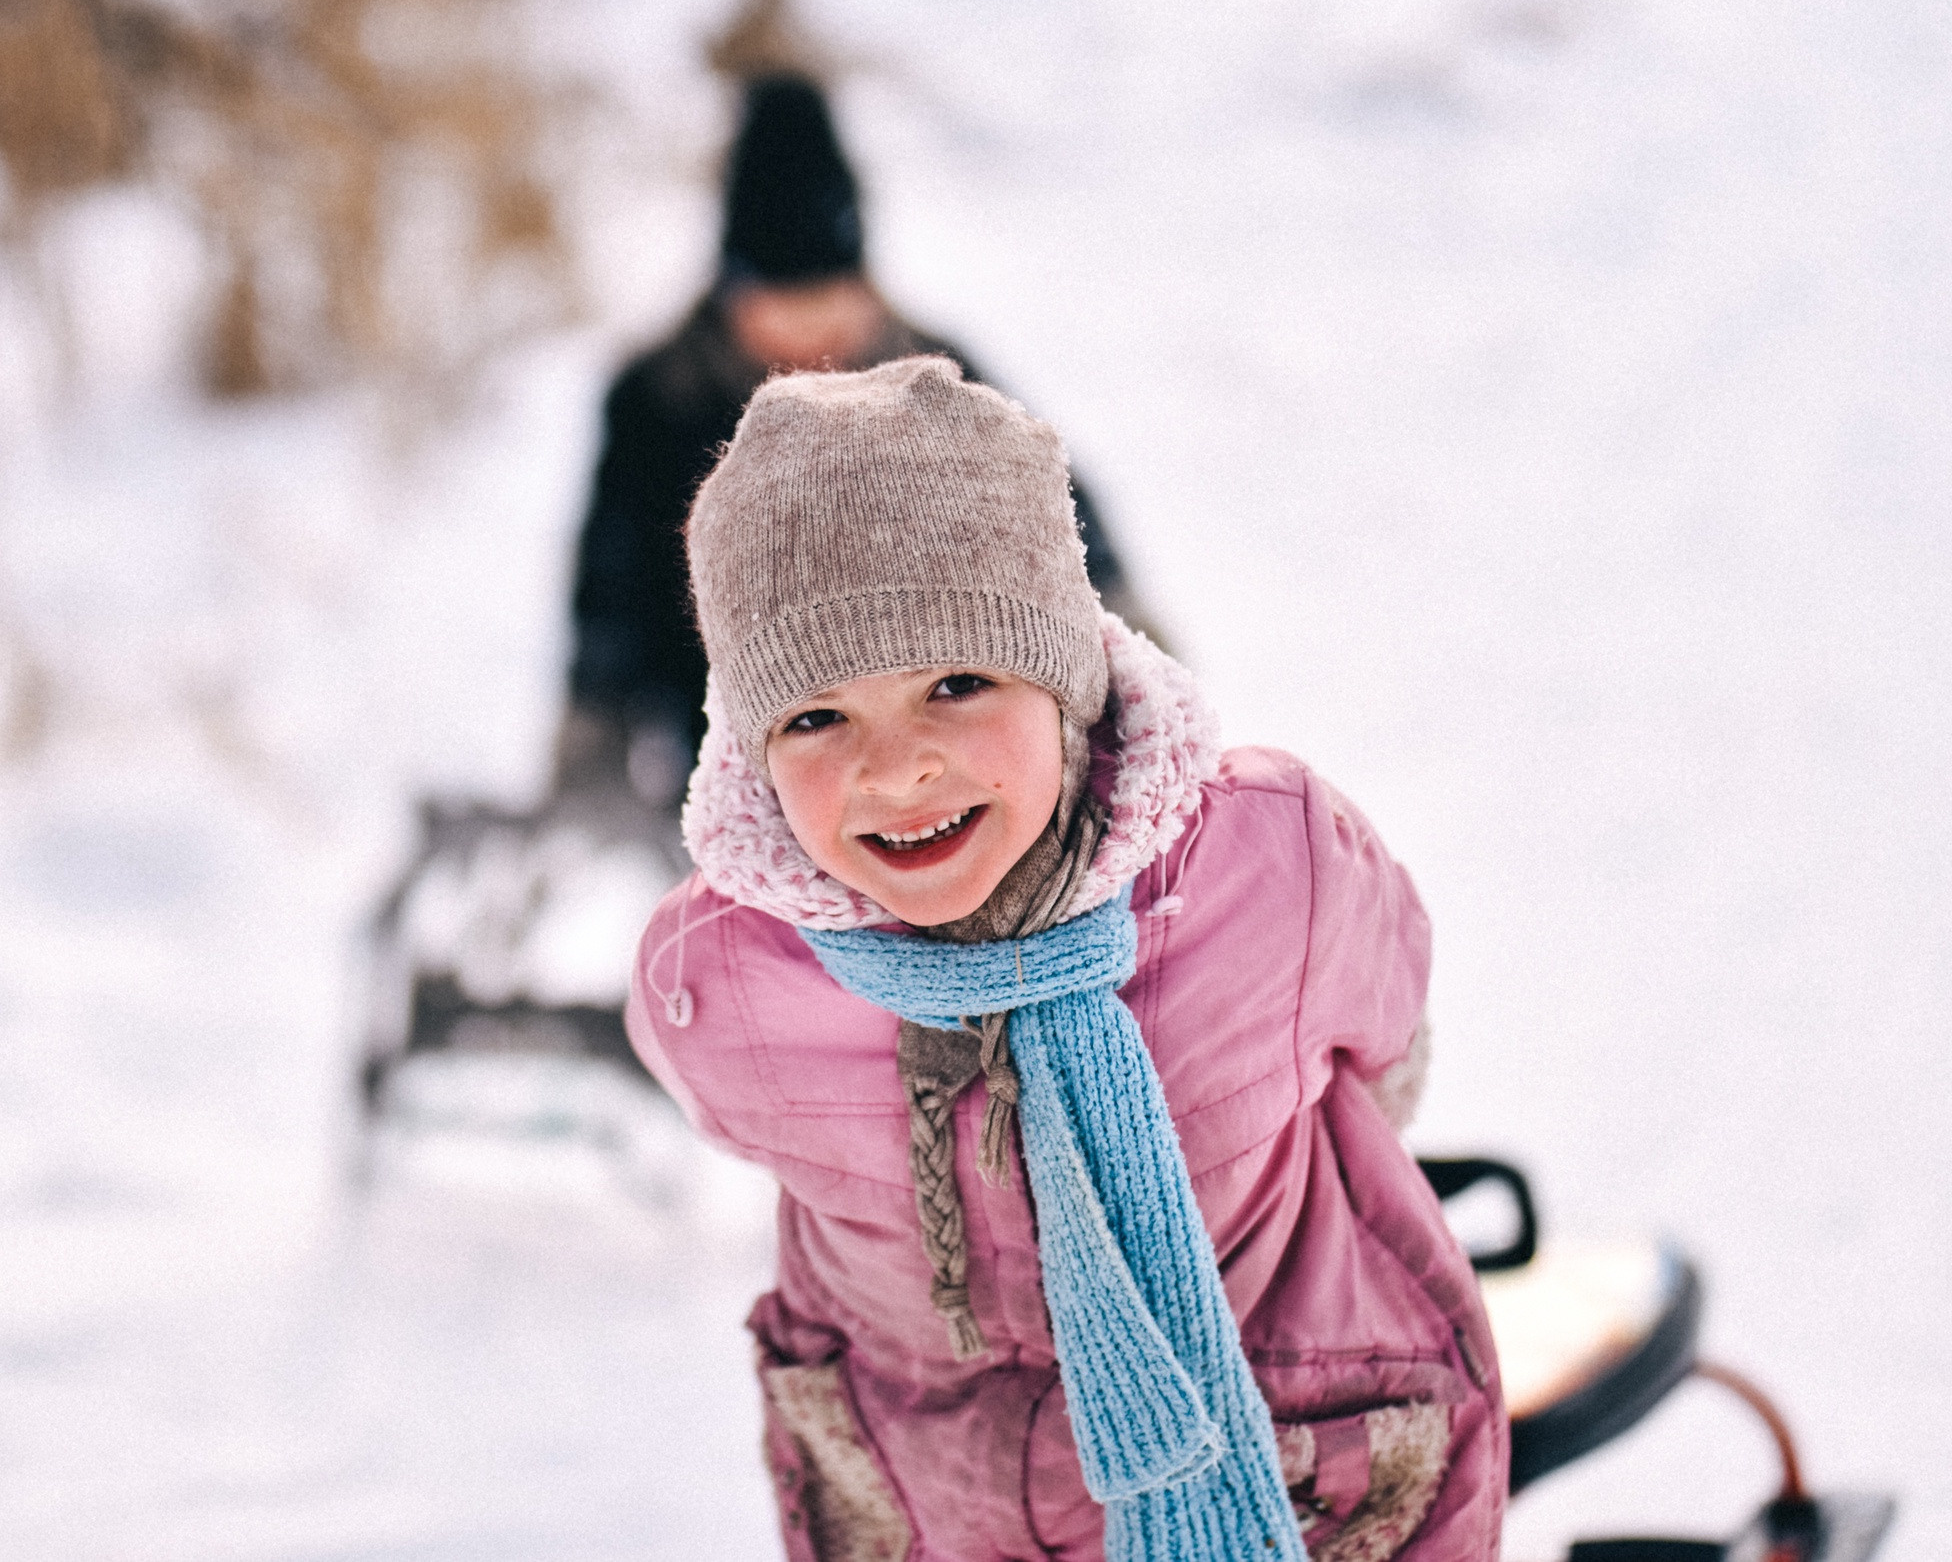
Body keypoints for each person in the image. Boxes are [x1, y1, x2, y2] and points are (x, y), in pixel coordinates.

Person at [625, 357, 1506, 1560]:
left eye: (956, 680)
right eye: (816, 717)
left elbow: (1382, 1029)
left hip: (1292, 1443)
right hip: (940, 1496)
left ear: (1067, 684)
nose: (897, 767)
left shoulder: (1268, 859)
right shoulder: (722, 971)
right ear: (752, 747)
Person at [564, 73, 1157, 810]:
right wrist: (591, 733)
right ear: (733, 292)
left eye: (830, 304)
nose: (811, 338)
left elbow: (1054, 520)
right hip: (734, 750)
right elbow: (611, 588)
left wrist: (1133, 642)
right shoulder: (661, 401)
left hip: (939, 748)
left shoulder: (935, 379)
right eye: (784, 309)